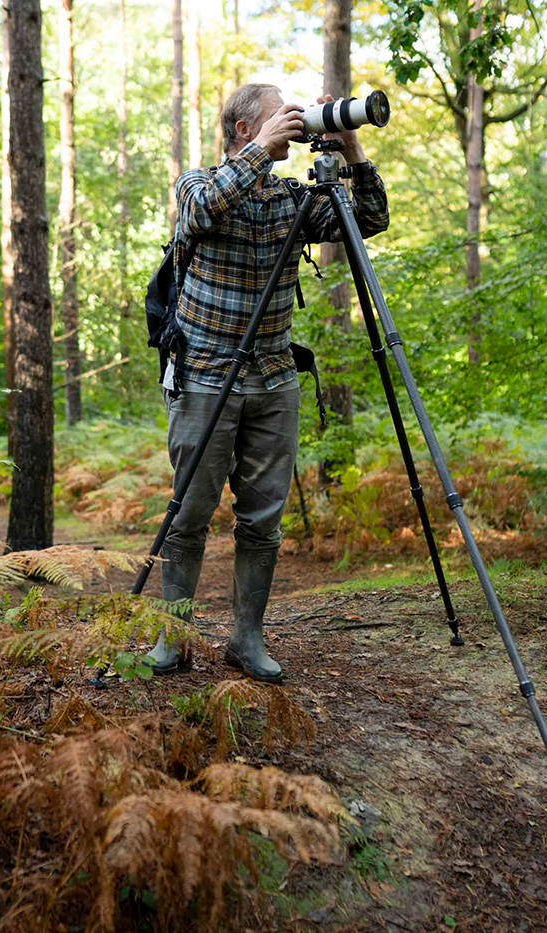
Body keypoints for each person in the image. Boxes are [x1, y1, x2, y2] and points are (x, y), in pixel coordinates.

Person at [149, 82, 390, 683]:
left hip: (274, 377)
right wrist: (262, 148)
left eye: (292, 112)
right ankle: (170, 637)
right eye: (276, 113)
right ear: (241, 129)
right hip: (206, 375)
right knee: (190, 512)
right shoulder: (197, 184)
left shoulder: (291, 201)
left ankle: (246, 637)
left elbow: (370, 219)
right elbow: (202, 213)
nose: (291, 119)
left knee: (263, 519)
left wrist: (352, 149)